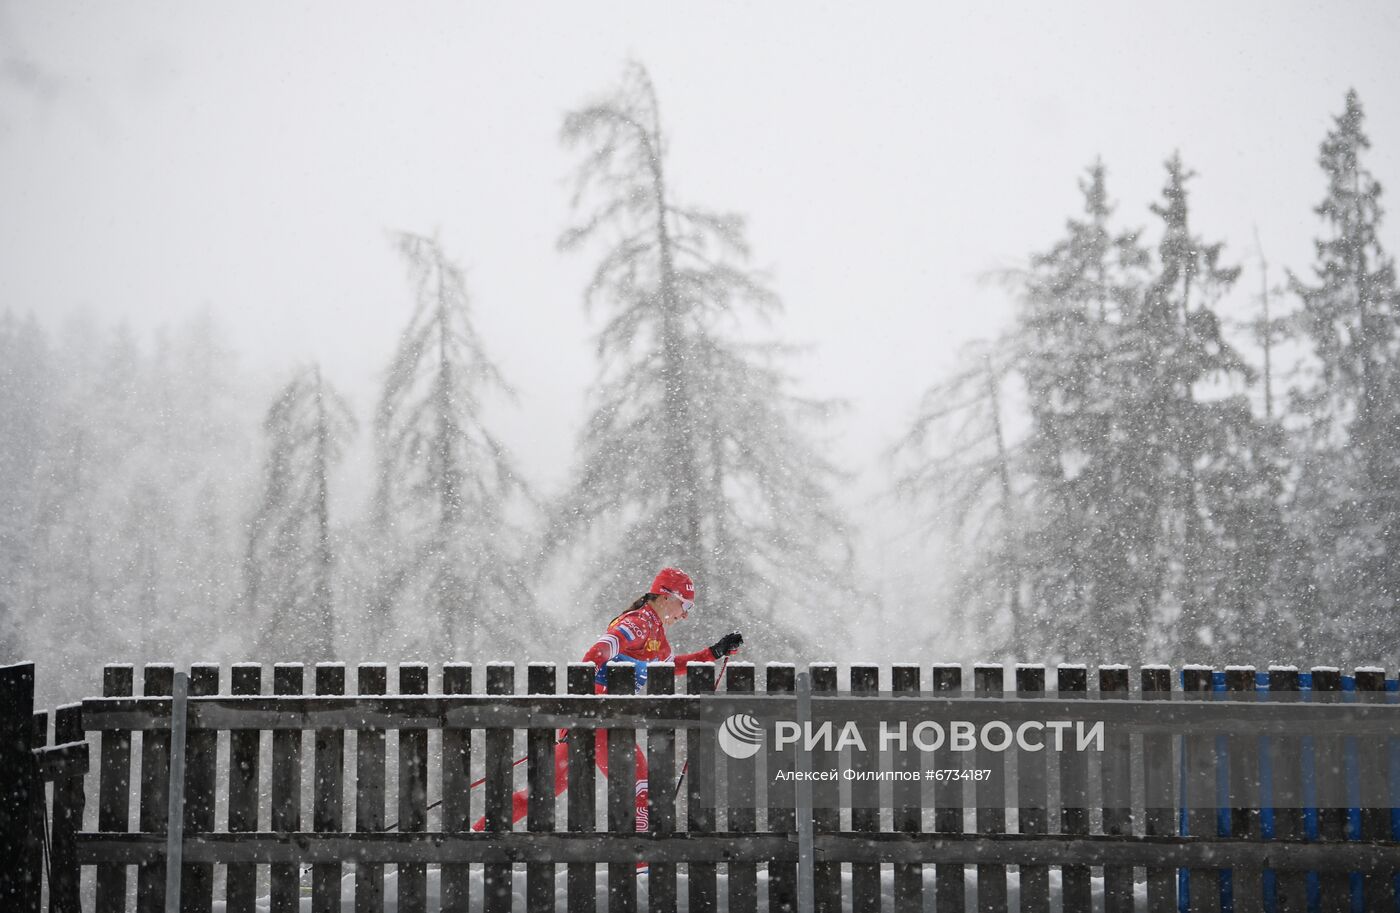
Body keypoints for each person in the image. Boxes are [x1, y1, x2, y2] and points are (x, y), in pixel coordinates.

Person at [472, 567, 743, 832]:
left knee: (539, 793)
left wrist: (713, 652)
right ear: (664, 596)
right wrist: (584, 698)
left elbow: (671, 666)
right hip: (599, 722)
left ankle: (477, 835)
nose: (684, 615)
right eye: (685, 605)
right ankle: (640, 867)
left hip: (593, 723)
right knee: (643, 790)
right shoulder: (637, 624)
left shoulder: (657, 638)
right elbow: (601, 648)